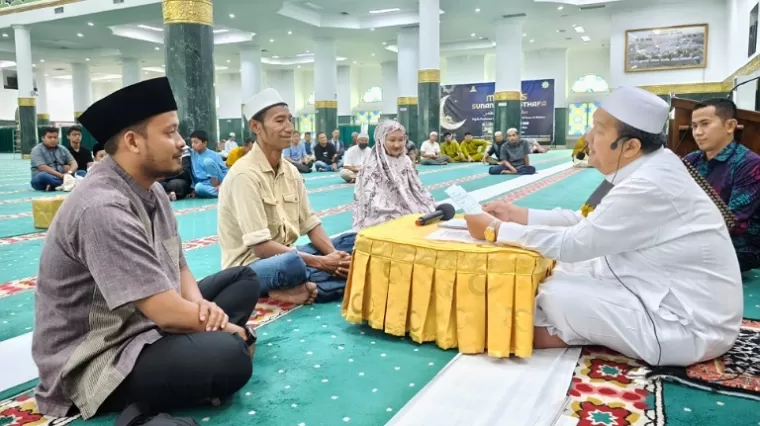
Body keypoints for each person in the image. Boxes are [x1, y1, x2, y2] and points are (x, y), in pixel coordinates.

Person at [32, 77, 260, 420]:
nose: (182, 142)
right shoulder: (101, 207)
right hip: (101, 352)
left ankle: (186, 370)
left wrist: (199, 308)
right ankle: (142, 405)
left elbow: (179, 266)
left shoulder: (151, 189)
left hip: (147, 318)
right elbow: (166, 312)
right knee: (230, 355)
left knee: (244, 279)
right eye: (170, 133)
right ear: (133, 142)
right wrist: (227, 329)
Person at [465, 86, 742, 367]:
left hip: (687, 325)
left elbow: (573, 245)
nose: (587, 137)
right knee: (562, 274)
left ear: (631, 146)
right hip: (655, 289)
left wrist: (496, 230)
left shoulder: (647, 183)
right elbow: (587, 222)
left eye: (598, 129)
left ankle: (546, 332)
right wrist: (517, 214)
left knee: (556, 294)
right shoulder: (646, 165)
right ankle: (564, 328)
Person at [218, 88, 356, 305]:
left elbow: (310, 225)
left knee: (353, 241)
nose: (289, 128)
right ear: (256, 127)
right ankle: (292, 285)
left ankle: (302, 287)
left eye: (289, 120)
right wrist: (321, 263)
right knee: (293, 265)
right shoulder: (244, 175)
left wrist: (335, 258)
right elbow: (261, 247)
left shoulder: (290, 171)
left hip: (290, 253)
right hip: (254, 267)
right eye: (280, 121)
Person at [684, 98, 760, 272]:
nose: (697, 132)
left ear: (730, 126)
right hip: (695, 242)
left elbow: (734, 223)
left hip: (738, 251)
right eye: (694, 126)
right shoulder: (690, 161)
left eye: (705, 124)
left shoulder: (750, 164)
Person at [353, 120, 436, 230]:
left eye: (401, 140)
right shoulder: (371, 164)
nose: (397, 145)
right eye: (392, 140)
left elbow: (417, 189)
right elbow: (373, 201)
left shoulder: (405, 160)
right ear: (381, 140)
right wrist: (399, 214)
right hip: (382, 217)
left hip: (408, 209)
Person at [190, 130, 228, 198]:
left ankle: (221, 188)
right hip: (206, 183)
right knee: (198, 187)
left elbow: (225, 172)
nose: (193, 145)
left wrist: (222, 184)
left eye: (196, 142)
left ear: (204, 143)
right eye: (192, 142)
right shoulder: (192, 154)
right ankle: (222, 192)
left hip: (218, 180)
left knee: (207, 161)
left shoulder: (214, 155)